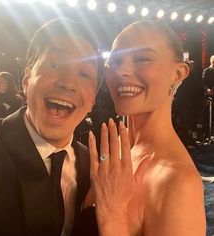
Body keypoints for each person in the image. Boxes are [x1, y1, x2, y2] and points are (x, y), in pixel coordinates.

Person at [72, 20, 206, 236]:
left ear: (178, 73)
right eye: (115, 61)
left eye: (143, 58)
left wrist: (113, 219)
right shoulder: (124, 152)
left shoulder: (178, 183)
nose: (121, 71)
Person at [0, 18, 100, 236]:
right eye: (54, 65)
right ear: (26, 79)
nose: (68, 83)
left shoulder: (90, 166)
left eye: (84, 74)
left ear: (92, 100)